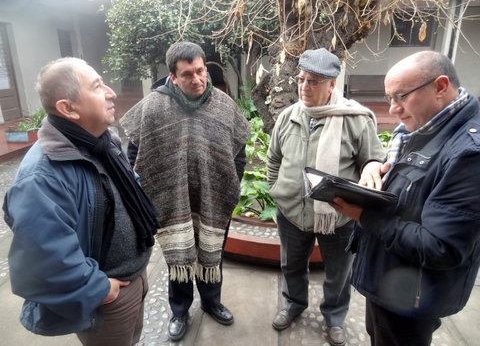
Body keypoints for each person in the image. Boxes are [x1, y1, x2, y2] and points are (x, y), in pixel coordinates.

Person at [2, 57, 159, 345]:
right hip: (107, 297)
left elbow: (121, 190)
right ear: (68, 108)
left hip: (134, 276)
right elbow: (43, 263)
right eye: (97, 86)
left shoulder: (101, 140)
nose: (111, 92)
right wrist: (99, 289)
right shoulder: (42, 176)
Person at [331, 50, 480, 345]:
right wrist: (375, 166)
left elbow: (440, 247)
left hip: (412, 296)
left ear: (440, 87)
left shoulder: (469, 154)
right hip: (389, 279)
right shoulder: (426, 127)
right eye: (389, 98)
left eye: (401, 96)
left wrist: (365, 215)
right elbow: (408, 179)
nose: (393, 108)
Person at [119, 41, 249, 341]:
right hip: (169, 200)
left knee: (211, 254)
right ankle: (179, 310)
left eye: (201, 71)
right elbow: (134, 153)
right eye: (188, 74)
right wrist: (148, 191)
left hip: (214, 198)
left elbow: (239, 151)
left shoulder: (223, 104)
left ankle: (211, 301)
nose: (197, 79)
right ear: (173, 77)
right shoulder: (153, 106)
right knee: (179, 256)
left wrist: (228, 182)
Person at [267, 48, 385, 346]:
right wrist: (276, 191)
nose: (304, 87)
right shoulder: (287, 117)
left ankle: (334, 316)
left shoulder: (355, 119)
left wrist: (371, 166)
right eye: (301, 79)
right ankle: (294, 304)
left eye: (314, 81)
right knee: (291, 265)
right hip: (292, 212)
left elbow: (373, 160)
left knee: (338, 274)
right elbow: (273, 160)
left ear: (332, 84)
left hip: (339, 216)